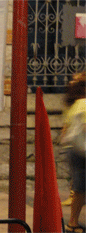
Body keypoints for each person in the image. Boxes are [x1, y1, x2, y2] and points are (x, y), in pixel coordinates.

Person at [61, 71, 86, 233]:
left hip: (73, 149)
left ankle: (73, 222)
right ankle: (72, 223)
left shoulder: (73, 104)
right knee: (80, 189)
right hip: (82, 151)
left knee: (79, 188)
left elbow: (65, 130)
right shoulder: (84, 103)